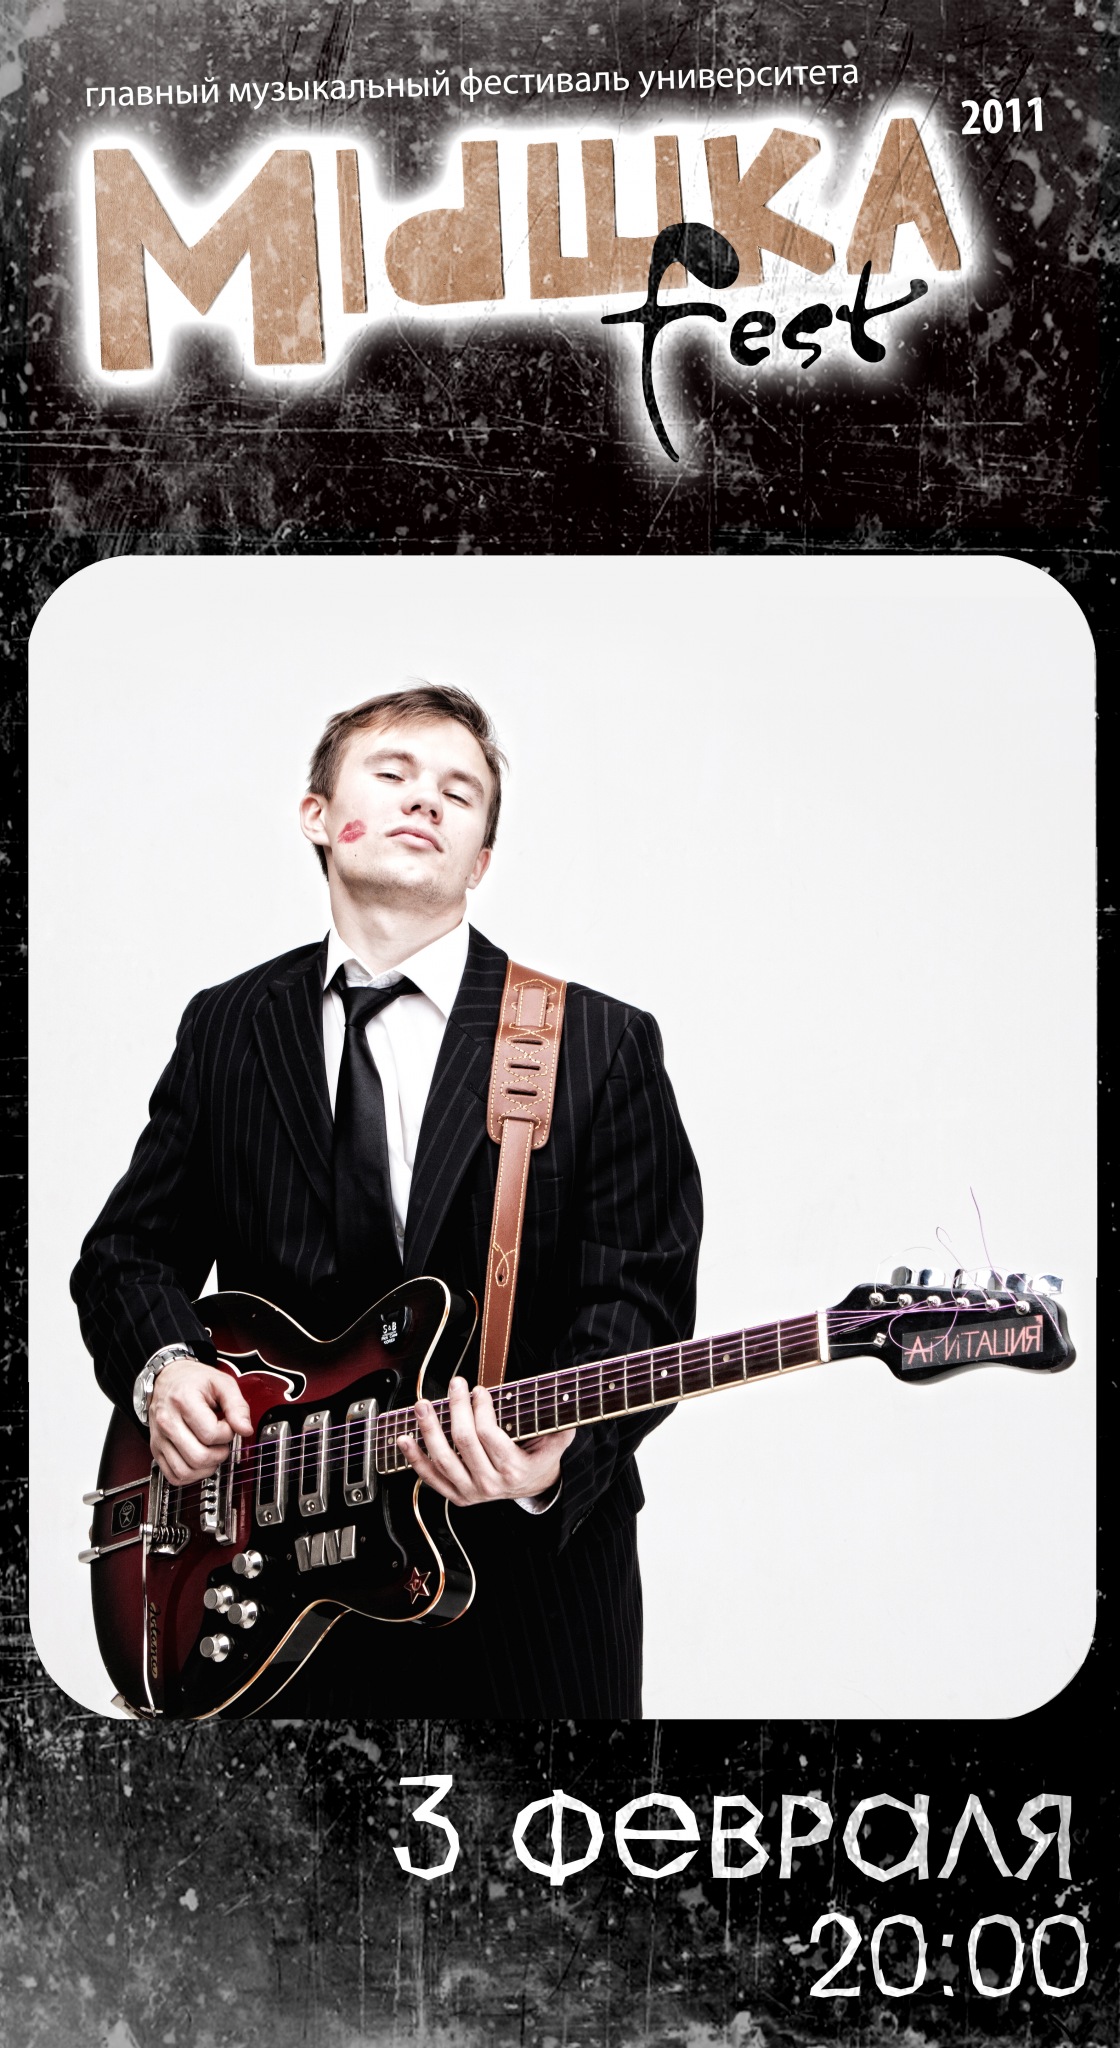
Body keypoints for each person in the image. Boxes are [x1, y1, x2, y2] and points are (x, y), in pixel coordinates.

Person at [71, 684, 703, 1717]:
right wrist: (166, 1369)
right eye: (394, 773)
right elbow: (125, 1257)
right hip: (264, 1591)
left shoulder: (594, 1042)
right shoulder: (228, 1025)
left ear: (480, 860)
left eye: (460, 791)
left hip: (519, 1597)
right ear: (318, 815)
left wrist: (553, 1458)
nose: (426, 800)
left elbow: (640, 1301)